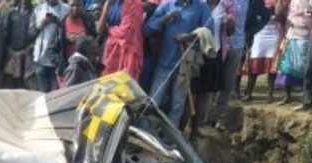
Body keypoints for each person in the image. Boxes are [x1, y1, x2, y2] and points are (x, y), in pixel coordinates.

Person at [143, 0, 211, 128]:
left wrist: (189, 37)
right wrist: (167, 17)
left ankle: (169, 139)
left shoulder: (201, 7)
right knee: (154, 101)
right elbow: (147, 30)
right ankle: (146, 133)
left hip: (186, 63)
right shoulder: (166, 5)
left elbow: (208, 31)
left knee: (177, 105)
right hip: (164, 61)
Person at [214, 0, 270, 130]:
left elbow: (266, 16)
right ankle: (205, 118)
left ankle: (220, 119)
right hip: (217, 45)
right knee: (212, 81)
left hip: (237, 45)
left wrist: (252, 31)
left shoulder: (253, 2)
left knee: (227, 84)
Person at [191, 0, 233, 131]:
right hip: (195, 53)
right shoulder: (198, 4)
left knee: (205, 92)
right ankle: (186, 126)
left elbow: (230, 32)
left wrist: (230, 22)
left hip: (213, 53)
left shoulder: (226, 7)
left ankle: (199, 126)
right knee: (191, 91)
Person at [274, 0, 312, 104]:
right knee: (287, 66)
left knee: (303, 66)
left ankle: (306, 98)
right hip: (291, 34)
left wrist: (305, 12)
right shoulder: (291, 1)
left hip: (305, 35)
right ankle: (287, 96)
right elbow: (283, 15)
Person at [241, 0, 280, 102]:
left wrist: (277, 10)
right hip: (259, 33)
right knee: (254, 63)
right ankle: (249, 93)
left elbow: (283, 16)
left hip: (273, 33)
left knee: (271, 66)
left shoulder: (279, 1)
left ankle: (270, 95)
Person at [97, 0, 143, 79]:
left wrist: (109, 29)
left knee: (122, 85)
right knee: (106, 84)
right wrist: (106, 5)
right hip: (108, 51)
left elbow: (125, 32)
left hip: (126, 52)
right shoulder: (111, 3)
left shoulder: (134, 4)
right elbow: (99, 30)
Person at [28, 0, 68, 92]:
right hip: (40, 58)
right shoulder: (38, 9)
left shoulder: (66, 9)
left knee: (55, 94)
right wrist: (43, 23)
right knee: (42, 94)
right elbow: (31, 33)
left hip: (58, 59)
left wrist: (57, 22)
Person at [0, 0, 34, 88]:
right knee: (9, 84)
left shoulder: (34, 13)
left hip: (26, 56)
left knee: (22, 85)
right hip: (11, 55)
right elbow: (4, 34)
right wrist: (8, 50)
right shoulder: (11, 13)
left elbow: (35, 34)